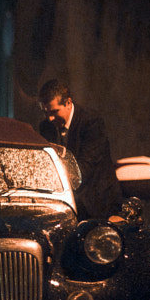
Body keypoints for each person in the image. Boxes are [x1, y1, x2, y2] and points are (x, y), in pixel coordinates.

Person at [38, 79, 122, 220]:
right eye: (45, 112)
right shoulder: (46, 126)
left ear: (68, 103)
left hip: (97, 203)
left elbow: (85, 167)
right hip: (66, 203)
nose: (50, 118)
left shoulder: (92, 122)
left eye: (54, 111)